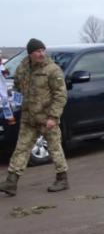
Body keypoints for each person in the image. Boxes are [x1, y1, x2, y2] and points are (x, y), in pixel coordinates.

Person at [0, 39, 69, 197]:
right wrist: (16, 103)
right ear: (30, 54)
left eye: (42, 50)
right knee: (21, 149)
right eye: (37, 51)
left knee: (54, 148)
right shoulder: (23, 68)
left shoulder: (52, 70)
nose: (41, 54)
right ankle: (11, 182)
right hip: (28, 118)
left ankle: (62, 179)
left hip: (47, 118)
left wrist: (53, 116)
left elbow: (61, 96)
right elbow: (17, 85)